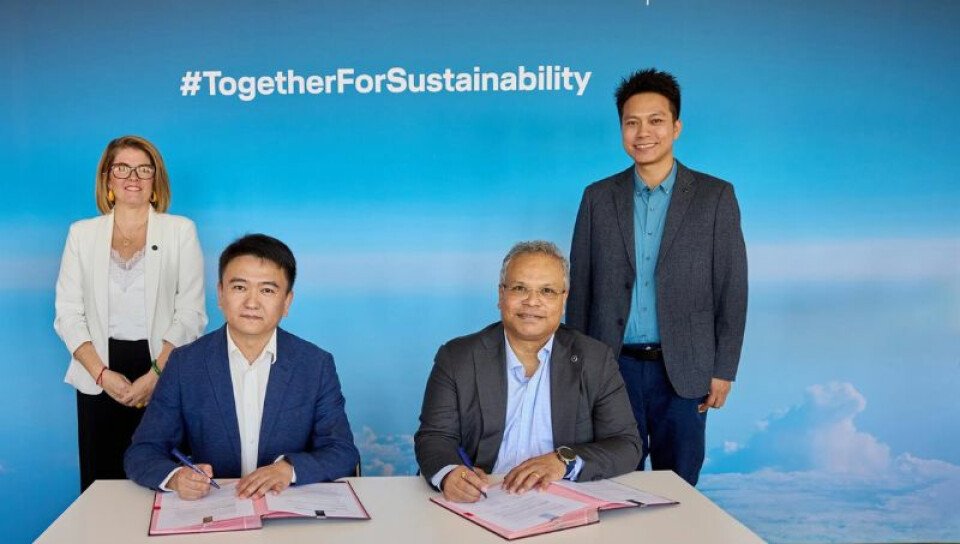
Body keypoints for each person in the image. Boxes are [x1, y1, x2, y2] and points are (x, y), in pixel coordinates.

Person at [566, 68, 748, 486]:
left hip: (685, 370)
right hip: (612, 368)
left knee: (679, 487)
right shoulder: (597, 197)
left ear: (676, 127)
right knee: (614, 484)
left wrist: (724, 369)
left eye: (655, 120)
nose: (643, 132)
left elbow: (732, 289)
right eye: (632, 122)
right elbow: (580, 292)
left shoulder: (715, 196)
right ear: (621, 130)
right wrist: (576, 369)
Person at [125, 234, 359, 500]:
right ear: (220, 294)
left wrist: (288, 470)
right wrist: (177, 478)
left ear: (287, 302)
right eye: (239, 287)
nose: (251, 303)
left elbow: (342, 451)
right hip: (212, 508)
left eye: (267, 290)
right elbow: (142, 451)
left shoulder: (315, 365)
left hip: (286, 507)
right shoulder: (185, 364)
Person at [415, 241, 640, 503]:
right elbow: (435, 437)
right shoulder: (457, 357)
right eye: (520, 288)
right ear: (501, 294)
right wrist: (450, 475)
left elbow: (626, 444)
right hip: (483, 497)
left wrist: (562, 461)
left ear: (563, 299)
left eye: (547, 291)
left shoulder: (595, 359)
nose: (532, 301)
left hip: (563, 497)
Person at [54, 135, 207, 492]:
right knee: (102, 484)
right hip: (99, 372)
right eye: (122, 168)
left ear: (156, 178)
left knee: (167, 481)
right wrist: (100, 374)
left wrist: (156, 374)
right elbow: (67, 313)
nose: (133, 177)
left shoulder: (180, 230)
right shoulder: (82, 234)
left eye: (143, 169)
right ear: (107, 178)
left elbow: (191, 313)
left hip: (164, 367)